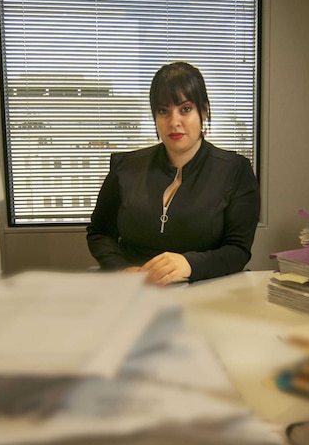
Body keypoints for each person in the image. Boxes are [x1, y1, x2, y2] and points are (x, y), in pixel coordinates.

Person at [86, 61, 260, 286]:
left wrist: (189, 264)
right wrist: (121, 268)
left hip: (205, 288)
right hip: (132, 290)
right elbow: (99, 232)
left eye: (185, 109)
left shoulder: (235, 170)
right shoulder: (126, 167)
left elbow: (238, 250)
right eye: (163, 111)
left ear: (204, 111)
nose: (174, 122)